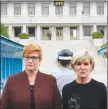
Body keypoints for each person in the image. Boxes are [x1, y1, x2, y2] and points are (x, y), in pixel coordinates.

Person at [1, 44, 62, 109]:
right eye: (27, 57)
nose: (30, 61)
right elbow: (3, 106)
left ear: (40, 60)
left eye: (34, 58)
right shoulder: (12, 80)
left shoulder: (50, 80)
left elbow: (57, 105)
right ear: (23, 59)